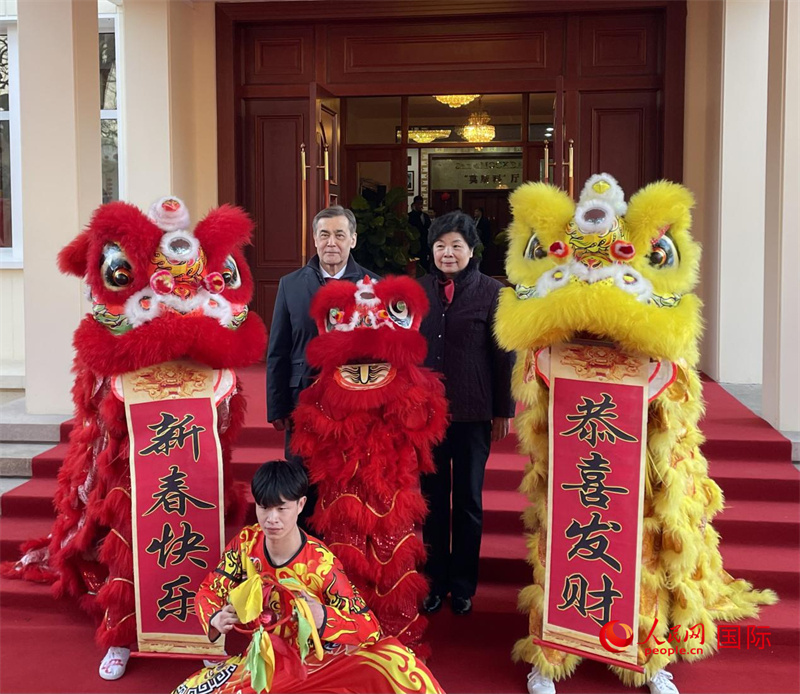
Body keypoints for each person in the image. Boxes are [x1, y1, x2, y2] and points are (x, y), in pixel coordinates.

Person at [171, 460, 445, 694]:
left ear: (301, 504)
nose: (271, 519)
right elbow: (210, 589)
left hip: (312, 663)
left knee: (392, 658)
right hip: (263, 662)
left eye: (281, 509)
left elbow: (368, 626)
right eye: (264, 508)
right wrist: (215, 618)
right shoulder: (246, 543)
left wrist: (323, 616)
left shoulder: (321, 564)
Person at [418, 211, 515, 616]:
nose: (447, 253)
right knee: (432, 499)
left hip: (474, 412)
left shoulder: (493, 293)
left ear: (471, 250)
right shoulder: (416, 292)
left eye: (456, 245)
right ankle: (433, 581)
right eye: (440, 245)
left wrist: (503, 410)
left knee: (469, 500)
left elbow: (504, 356)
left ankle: (462, 586)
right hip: (426, 416)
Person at [266, 206, 379, 527]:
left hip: (354, 404)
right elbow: (278, 350)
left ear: (353, 240)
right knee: (302, 480)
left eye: (340, 235)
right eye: (325, 234)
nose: (332, 242)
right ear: (314, 239)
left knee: (348, 481)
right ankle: (304, 550)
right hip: (302, 399)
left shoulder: (373, 285)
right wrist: (277, 406)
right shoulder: (290, 284)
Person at [408, 195, 432, 270]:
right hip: (415, 242)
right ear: (414, 204)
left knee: (424, 260)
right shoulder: (410, 216)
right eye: (418, 203)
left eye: (421, 203)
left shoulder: (425, 216)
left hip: (424, 241)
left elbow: (429, 227)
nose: (420, 206)